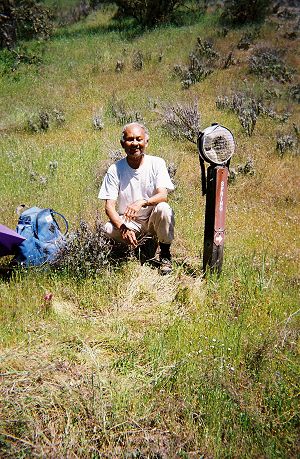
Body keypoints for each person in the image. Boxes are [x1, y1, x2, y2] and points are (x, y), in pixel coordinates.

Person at [99, 122, 175, 274]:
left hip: (151, 220)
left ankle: (165, 254)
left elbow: (163, 195)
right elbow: (109, 207)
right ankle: (128, 247)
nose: (135, 144)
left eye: (139, 139)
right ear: (122, 144)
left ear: (146, 142)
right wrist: (123, 227)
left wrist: (143, 202)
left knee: (164, 209)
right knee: (107, 229)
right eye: (130, 139)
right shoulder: (115, 169)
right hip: (129, 222)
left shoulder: (157, 163)